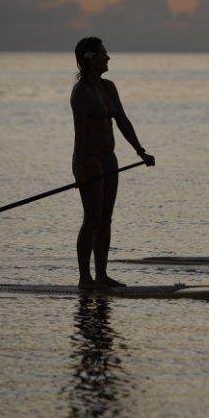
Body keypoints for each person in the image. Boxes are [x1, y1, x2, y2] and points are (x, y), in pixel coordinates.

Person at [71, 37, 155, 289]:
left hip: (110, 158)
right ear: (90, 59)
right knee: (92, 218)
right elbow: (80, 133)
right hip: (90, 160)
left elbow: (122, 120)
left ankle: (102, 275)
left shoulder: (109, 87)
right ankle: (85, 278)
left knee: (106, 219)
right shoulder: (82, 92)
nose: (108, 58)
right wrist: (79, 168)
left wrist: (140, 150)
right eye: (103, 54)